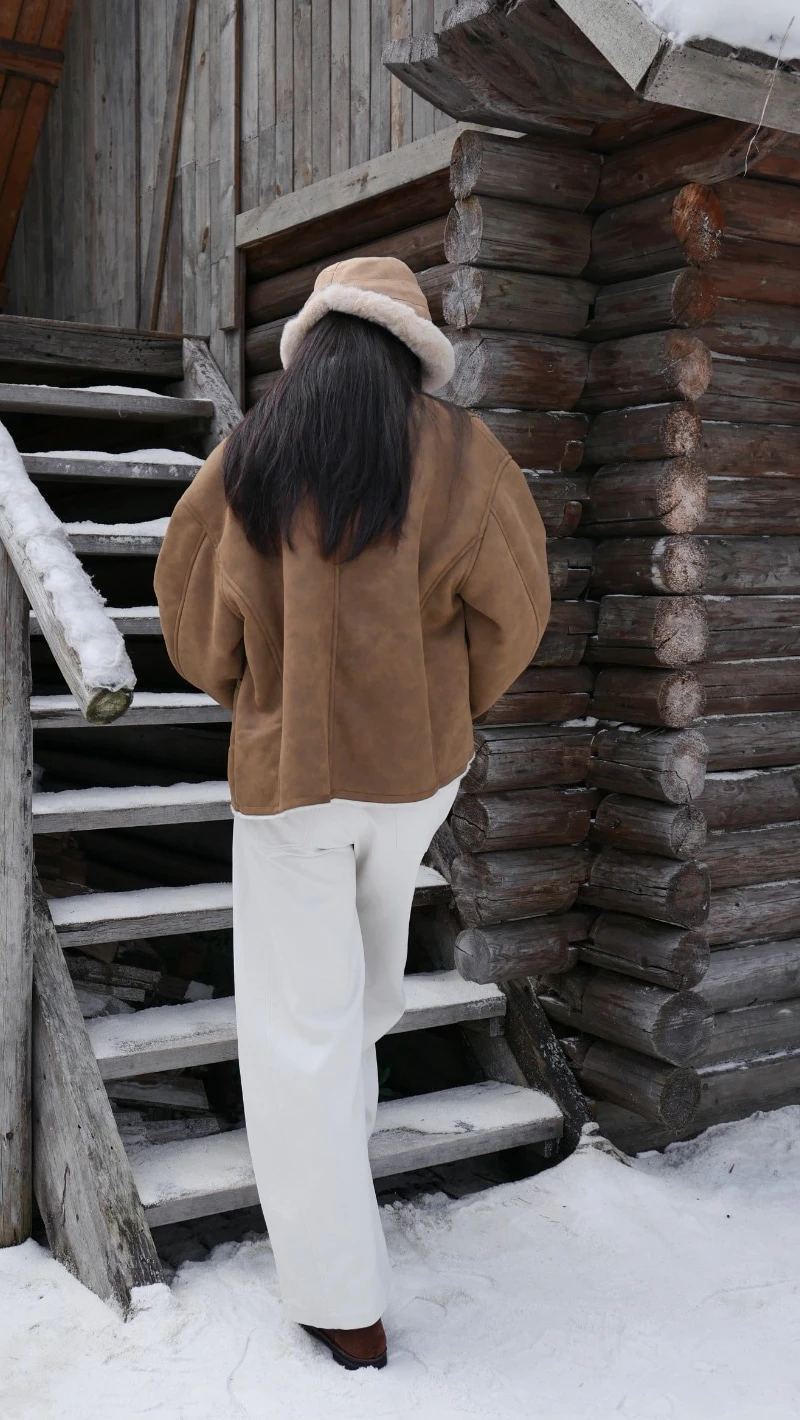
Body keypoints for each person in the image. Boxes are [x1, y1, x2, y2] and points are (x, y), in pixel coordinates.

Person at [154, 256, 550, 1371]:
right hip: (412, 778)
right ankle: (343, 1214)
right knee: (364, 999)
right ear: (410, 349)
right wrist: (443, 707)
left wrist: (261, 697)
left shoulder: (252, 453)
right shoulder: (464, 453)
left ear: (316, 340)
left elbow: (191, 621)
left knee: (303, 1033)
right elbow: (517, 613)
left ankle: (345, 1304)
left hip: (291, 787)